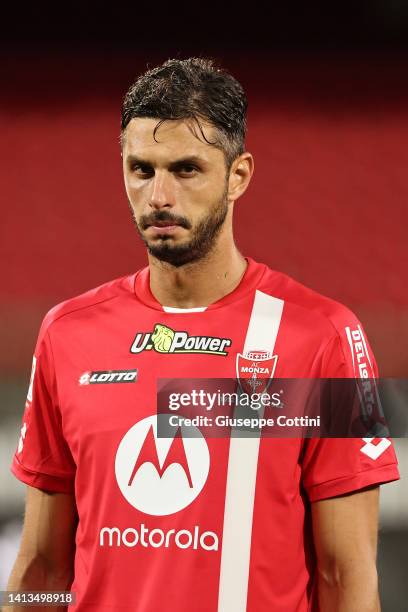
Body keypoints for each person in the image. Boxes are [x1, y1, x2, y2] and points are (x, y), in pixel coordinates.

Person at [6, 58, 399, 612]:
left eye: (186, 169)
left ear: (238, 175)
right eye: (141, 169)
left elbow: (346, 576)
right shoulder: (67, 333)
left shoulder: (324, 338)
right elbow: (42, 566)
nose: (159, 196)